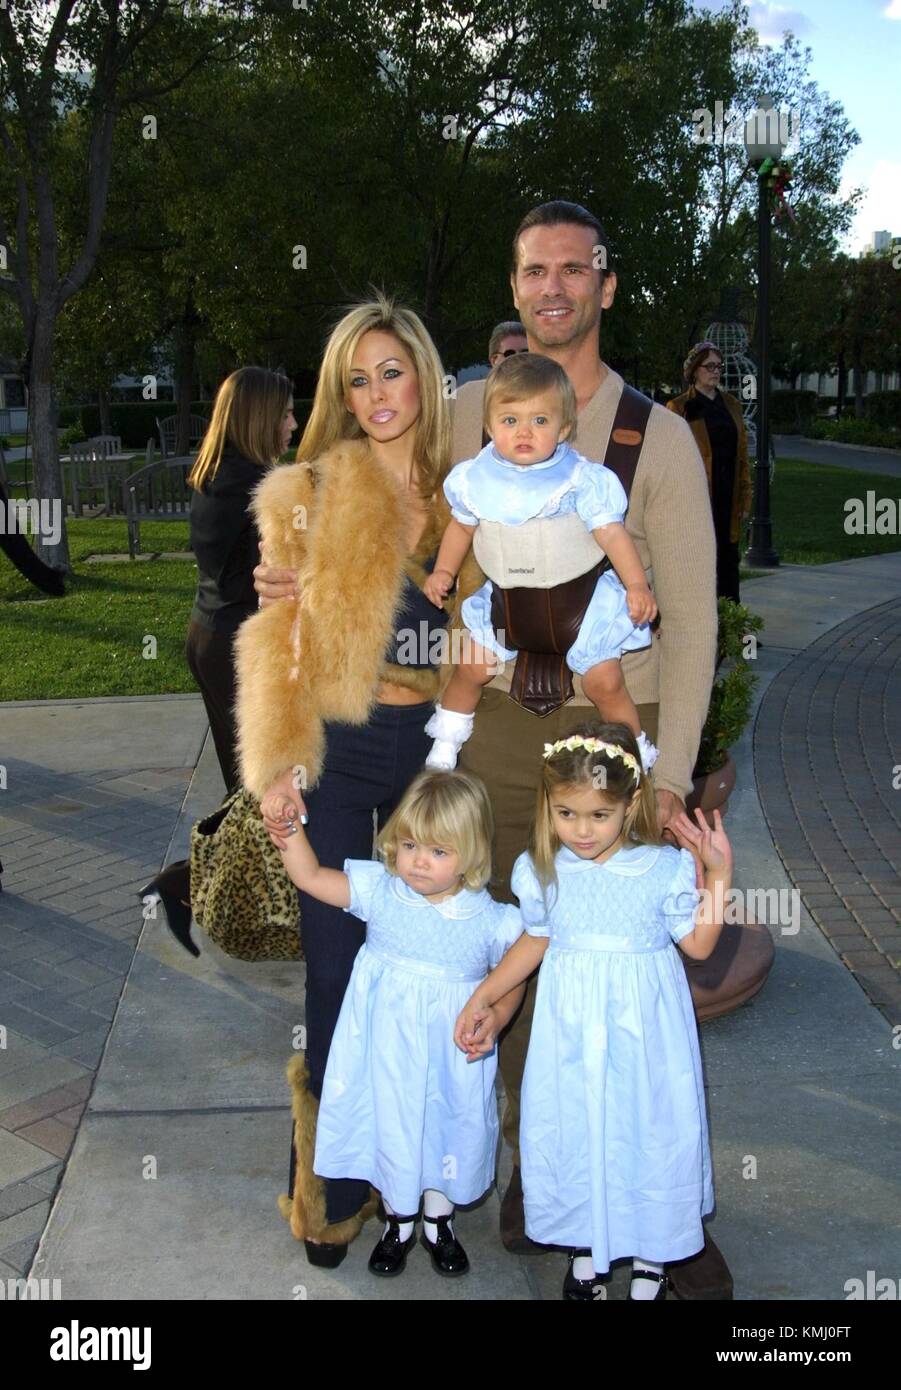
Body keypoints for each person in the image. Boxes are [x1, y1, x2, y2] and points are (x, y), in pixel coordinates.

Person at [255, 201, 728, 1298]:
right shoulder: (466, 407)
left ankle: (651, 1206)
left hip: (607, 742)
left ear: (606, 285)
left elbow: (694, 617)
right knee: (495, 949)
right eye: (532, 271)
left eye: (574, 269)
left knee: (617, 969)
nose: (552, 287)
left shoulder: (650, 435)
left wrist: (665, 773)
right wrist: (295, 556)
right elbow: (370, 461)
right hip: (479, 731)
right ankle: (521, 1172)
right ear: (513, 287)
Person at [235, 294, 459, 1267]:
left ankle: (416, 1172)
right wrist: (274, 769)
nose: (376, 393)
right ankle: (325, 1187)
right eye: (355, 379)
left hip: (437, 754)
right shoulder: (307, 491)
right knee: (333, 969)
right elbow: (271, 638)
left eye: (391, 371)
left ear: (423, 375)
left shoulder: (478, 490)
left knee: (418, 968)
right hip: (334, 746)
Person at [455, 722, 732, 1301]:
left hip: (645, 1039)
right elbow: (536, 940)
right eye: (566, 814)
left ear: (631, 805)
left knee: (647, 1134)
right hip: (571, 1036)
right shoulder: (543, 870)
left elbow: (700, 946)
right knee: (579, 1131)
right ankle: (587, 1249)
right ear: (548, 806)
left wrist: (717, 873)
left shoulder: (662, 870)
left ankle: (653, 1258)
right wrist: (484, 996)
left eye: (598, 816)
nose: (581, 831)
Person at [274, 768, 523, 1278]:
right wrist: (289, 833)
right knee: (394, 1122)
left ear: (471, 853)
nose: (418, 862)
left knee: (444, 1126)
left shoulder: (491, 918)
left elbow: (513, 975)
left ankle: (438, 1221)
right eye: (409, 844)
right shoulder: (382, 892)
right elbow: (311, 877)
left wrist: (496, 1015)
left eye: (437, 851)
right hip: (386, 1049)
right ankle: (398, 1221)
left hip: (451, 1052)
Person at [422, 352, 658, 771]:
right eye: (510, 421)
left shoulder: (581, 480)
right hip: (508, 604)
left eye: (540, 421)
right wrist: (444, 570)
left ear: (564, 428)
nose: (524, 432)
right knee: (470, 664)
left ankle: (635, 750)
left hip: (581, 606)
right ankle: (447, 740)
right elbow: (461, 528)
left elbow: (612, 533)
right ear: (489, 425)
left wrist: (637, 585)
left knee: (604, 680)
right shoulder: (476, 478)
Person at [139, 367, 296, 956]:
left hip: (206, 636)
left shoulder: (213, 474)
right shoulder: (258, 484)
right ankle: (182, 888)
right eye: (283, 413)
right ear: (258, 417)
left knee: (248, 791)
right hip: (237, 650)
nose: (292, 423)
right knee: (261, 797)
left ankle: (196, 892)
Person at [666, 342, 751, 603]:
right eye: (709, 366)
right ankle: (702, 630)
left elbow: (742, 455)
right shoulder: (679, 408)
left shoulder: (731, 405)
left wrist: (745, 496)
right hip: (697, 498)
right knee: (701, 563)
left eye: (719, 366)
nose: (716, 372)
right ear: (694, 371)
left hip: (728, 494)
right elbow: (671, 459)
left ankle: (733, 634)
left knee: (728, 563)